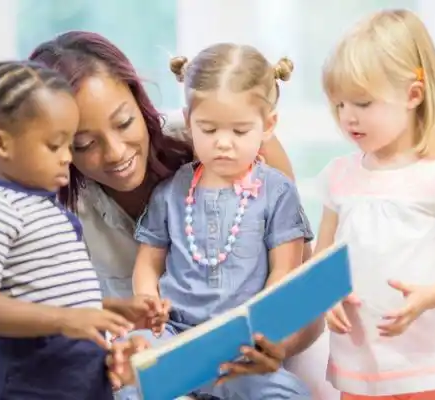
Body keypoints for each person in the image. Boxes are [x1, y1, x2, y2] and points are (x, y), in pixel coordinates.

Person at [29, 31, 325, 397]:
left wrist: (273, 343)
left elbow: (305, 292)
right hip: (167, 345)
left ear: (141, 103)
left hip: (254, 352)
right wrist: (130, 343)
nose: (116, 152)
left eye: (123, 123)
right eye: (84, 144)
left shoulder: (233, 145)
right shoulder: (62, 209)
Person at [0, 60, 162, 400]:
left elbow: (49, 296)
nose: (67, 158)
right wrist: (66, 319)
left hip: (75, 382)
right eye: (55, 145)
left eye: (70, 145)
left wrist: (110, 308)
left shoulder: (46, 208)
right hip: (24, 387)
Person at [316, 10, 435, 400]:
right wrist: (326, 295)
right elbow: (320, 259)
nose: (348, 118)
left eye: (362, 102)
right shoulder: (338, 176)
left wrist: (429, 296)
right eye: (339, 104)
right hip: (362, 368)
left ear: (413, 95)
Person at [127, 43, 315, 399]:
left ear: (268, 124)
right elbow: (148, 264)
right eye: (209, 130)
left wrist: (264, 332)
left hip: (240, 345)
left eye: (240, 131)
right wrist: (148, 307)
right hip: (174, 335)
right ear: (189, 120)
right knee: (126, 376)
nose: (223, 144)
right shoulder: (170, 190)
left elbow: (284, 273)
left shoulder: (277, 192)